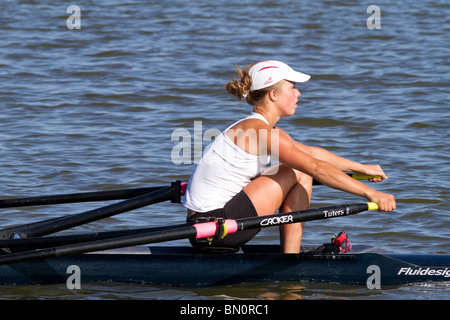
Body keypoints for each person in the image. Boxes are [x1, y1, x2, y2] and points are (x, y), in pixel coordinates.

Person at [183, 60, 396, 253]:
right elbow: (316, 168)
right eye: (292, 87)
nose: (298, 93)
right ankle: (290, 260)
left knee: (297, 168)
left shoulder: (259, 127)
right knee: (298, 171)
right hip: (214, 229)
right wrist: (371, 194)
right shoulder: (260, 132)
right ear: (273, 95)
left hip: (209, 227)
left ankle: (290, 257)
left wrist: (361, 168)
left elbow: (312, 154)